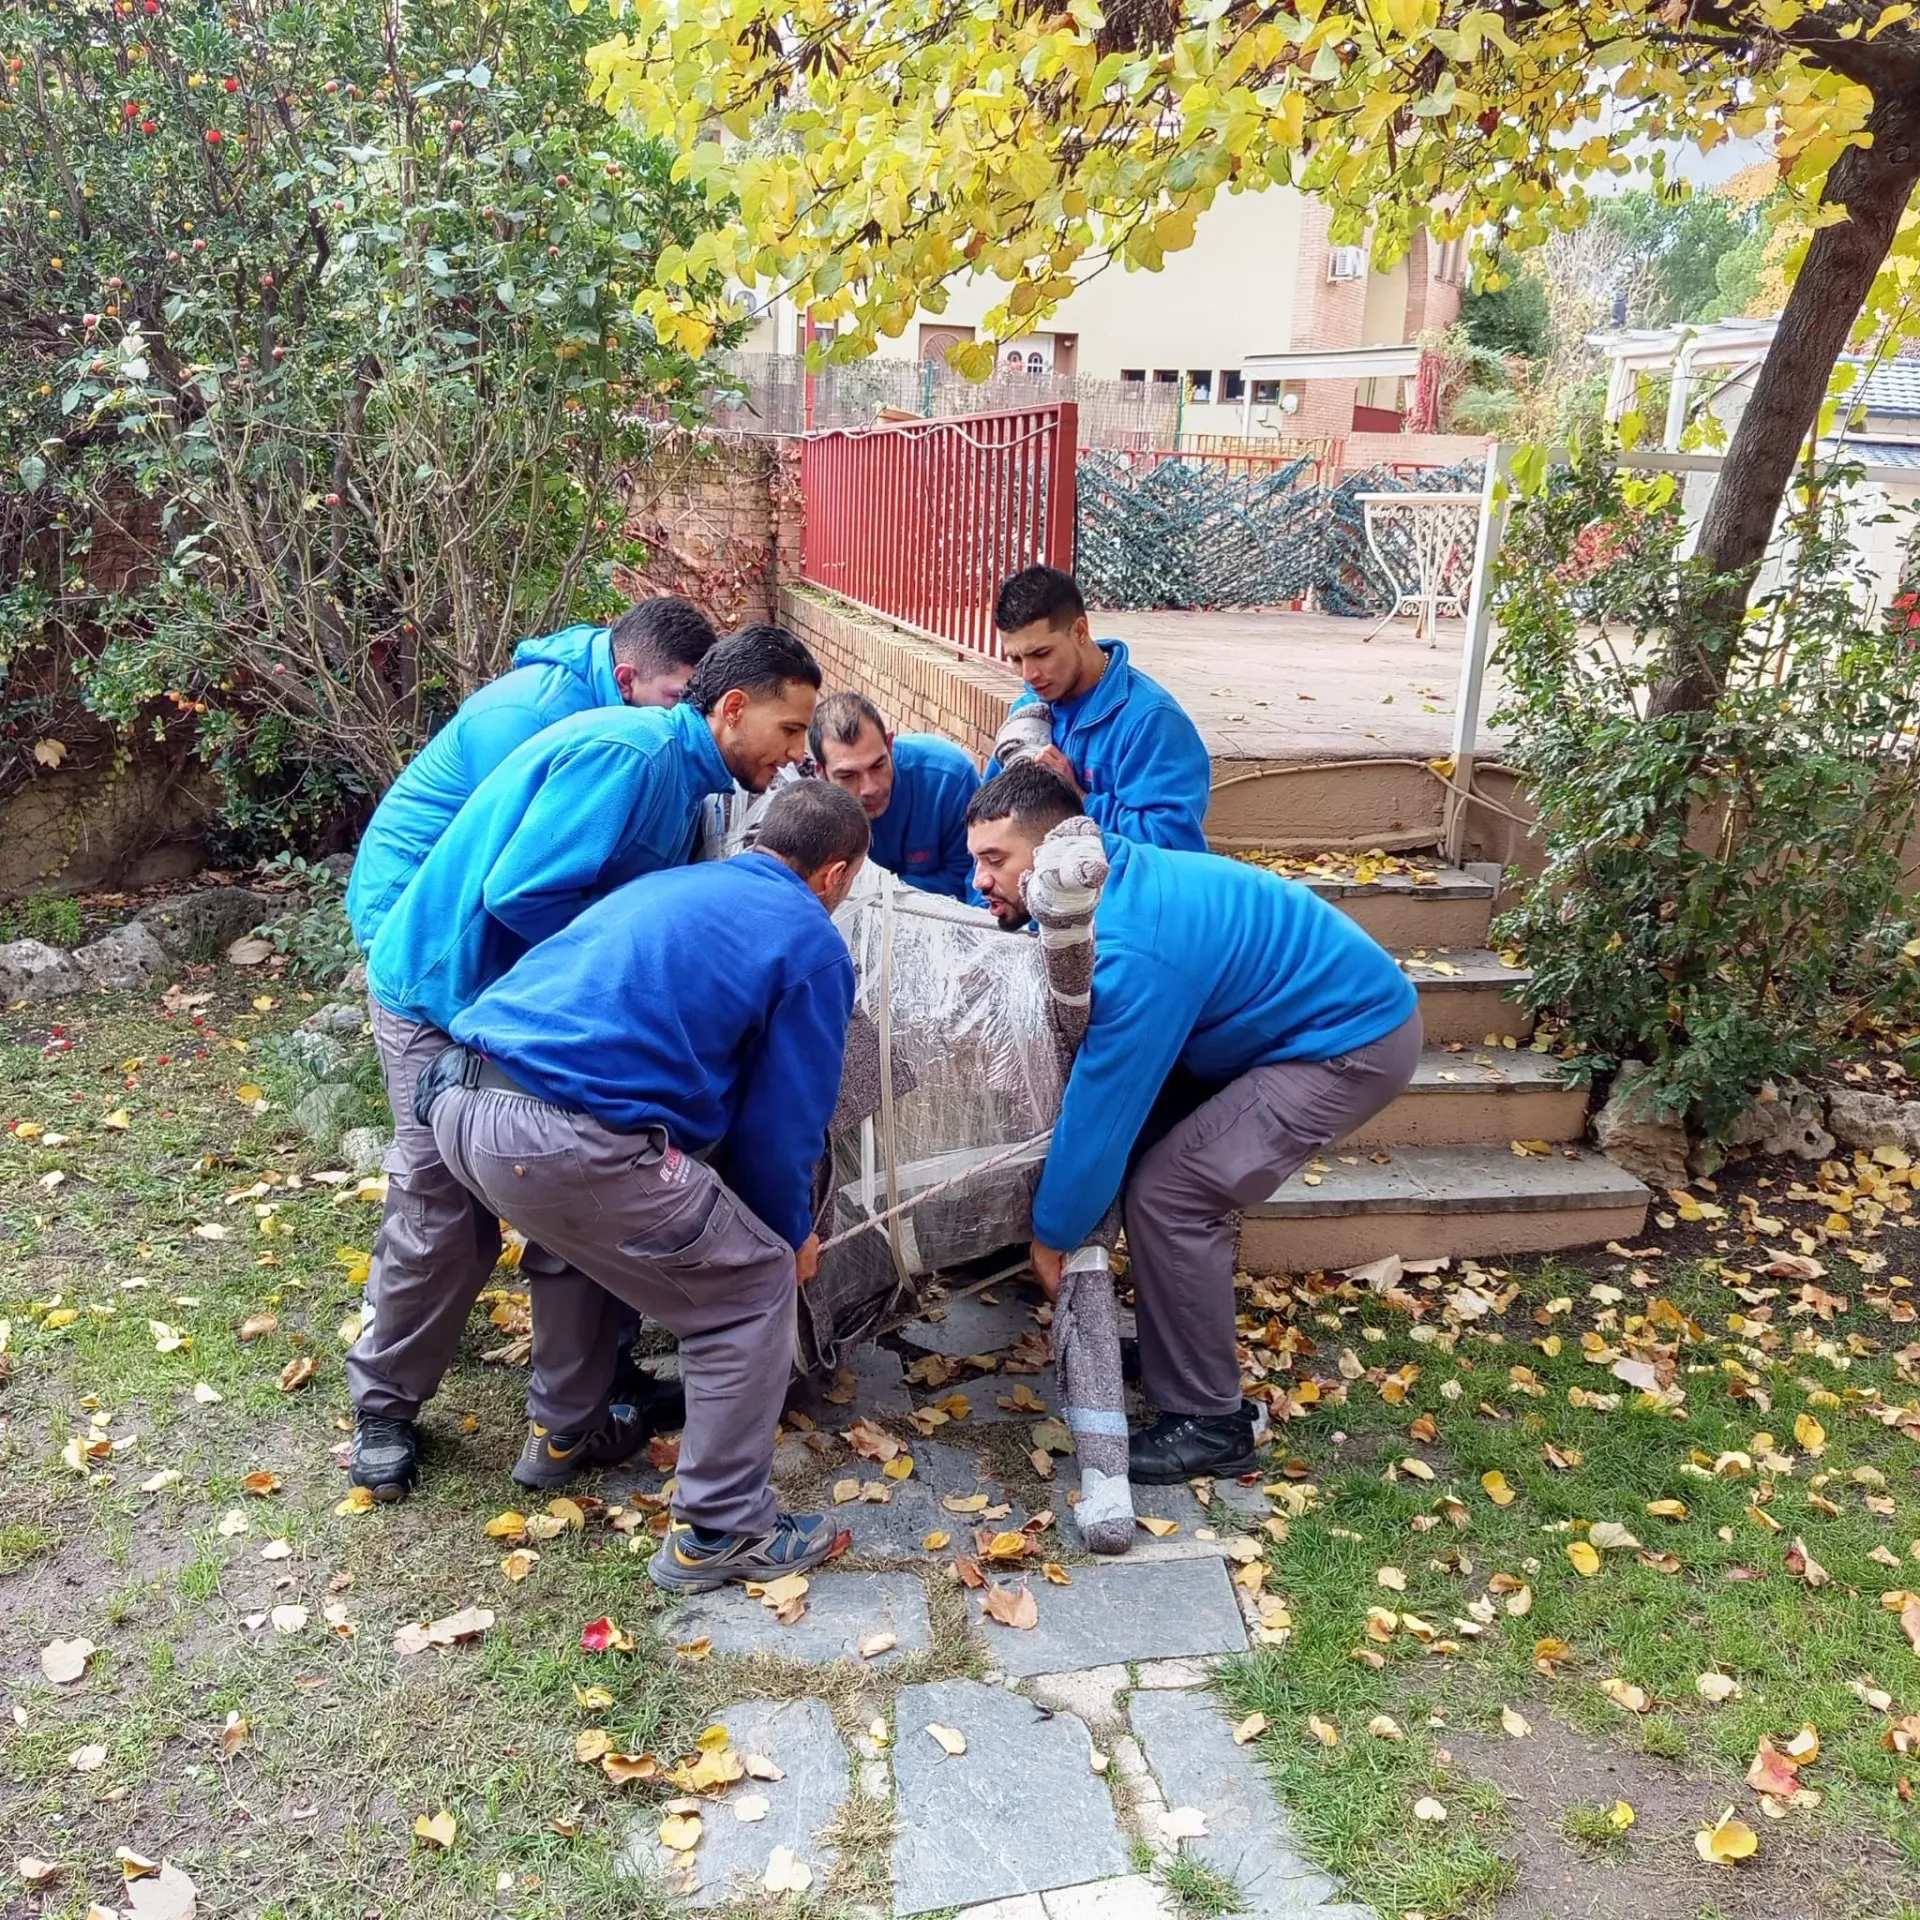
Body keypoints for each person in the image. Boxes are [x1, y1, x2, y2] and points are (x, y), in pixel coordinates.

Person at [346, 625, 824, 1499]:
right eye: (790, 731)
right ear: (732, 709)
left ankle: (585, 1400)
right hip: (442, 990)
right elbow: (523, 893)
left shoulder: (688, 784)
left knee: (581, 1208)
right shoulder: (630, 754)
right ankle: (385, 1405)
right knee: (446, 1214)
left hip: (531, 1022)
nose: (796, 754)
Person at [419, 781, 868, 1583]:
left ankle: (564, 1431)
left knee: (583, 1242)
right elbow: (782, 1129)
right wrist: (790, 1234)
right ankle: (721, 1531)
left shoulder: (674, 883)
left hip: (461, 1100)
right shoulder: (811, 939)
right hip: (561, 1137)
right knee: (751, 1283)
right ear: (835, 874)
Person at [966, 761, 1423, 1483]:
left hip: (1349, 1044)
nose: (979, 880)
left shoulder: (1132, 950)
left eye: (995, 860)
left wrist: (1052, 1234)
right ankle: (1178, 1347)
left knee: (1175, 1193)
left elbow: (1101, 1106)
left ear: (1050, 848)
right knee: (1154, 1167)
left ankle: (1211, 1423)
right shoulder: (1096, 879)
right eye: (976, 861)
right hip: (1282, 1028)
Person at [345, 597, 719, 951]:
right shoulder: (527, 716)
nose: (691, 714)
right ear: (625, 679)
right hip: (408, 906)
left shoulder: (619, 710)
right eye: (678, 697)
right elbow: (513, 861)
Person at [986, 565, 1212, 852]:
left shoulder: (1153, 721)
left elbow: (1172, 844)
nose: (1028, 675)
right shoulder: (1028, 708)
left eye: (1041, 654)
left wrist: (1077, 801)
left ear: (1080, 630)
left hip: (1122, 893)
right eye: (1016, 659)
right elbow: (988, 821)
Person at [809, 691, 980, 900]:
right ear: (821, 772)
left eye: (878, 765)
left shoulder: (951, 778)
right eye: (848, 775)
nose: (869, 788)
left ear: (889, 744)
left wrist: (882, 895)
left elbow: (969, 878)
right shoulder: (813, 811)